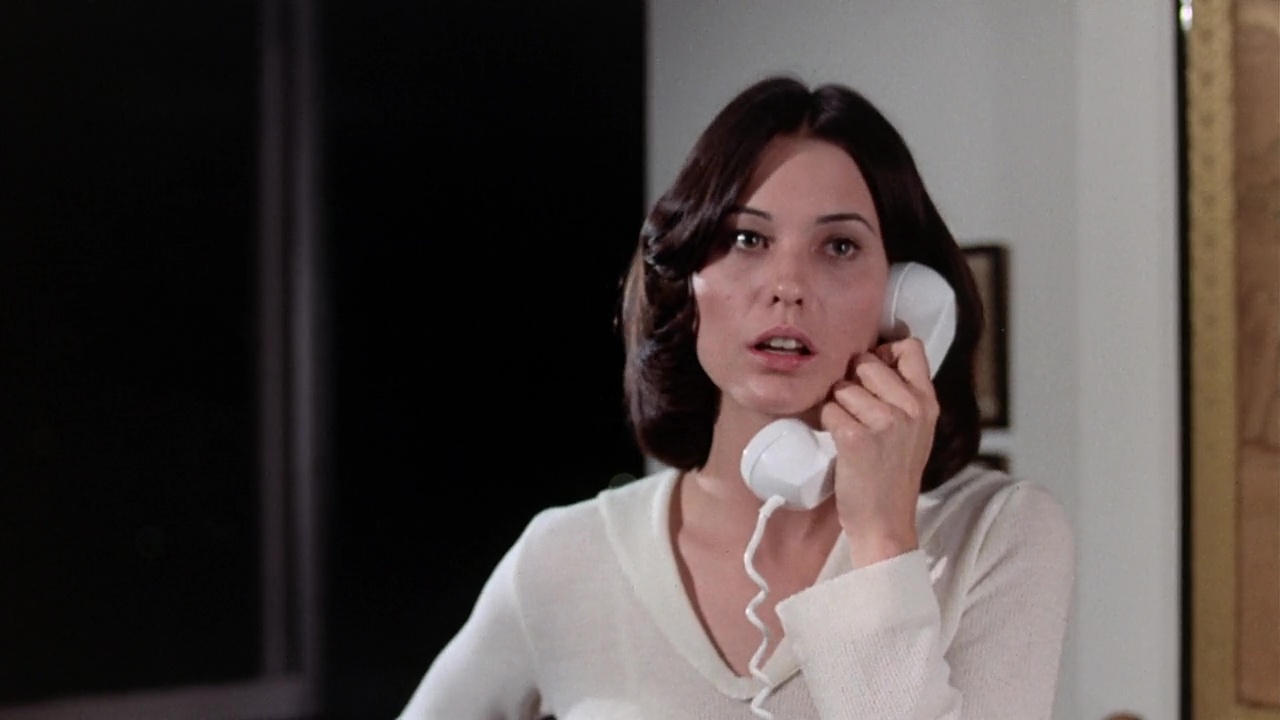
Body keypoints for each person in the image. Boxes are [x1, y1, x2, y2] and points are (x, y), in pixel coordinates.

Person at [398, 74, 1074, 719]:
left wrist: (880, 540)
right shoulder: (566, 558)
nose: (787, 285)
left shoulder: (997, 535)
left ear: (903, 296)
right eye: (746, 239)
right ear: (690, 279)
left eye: (839, 246)